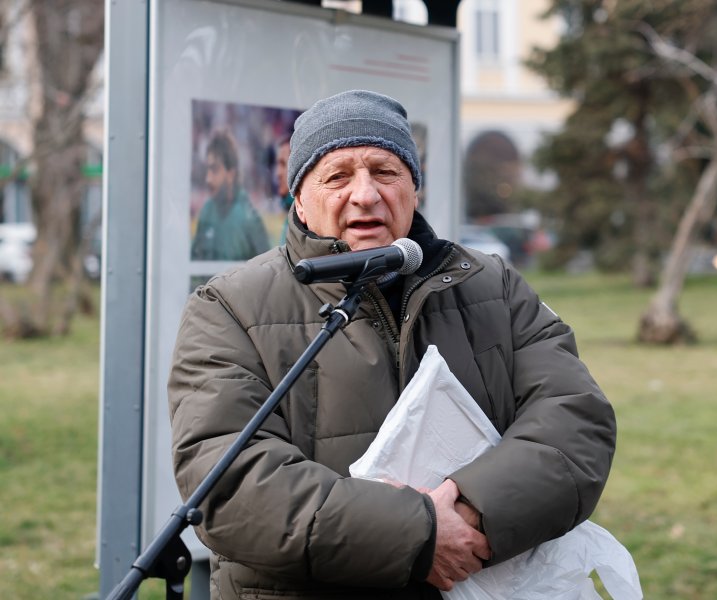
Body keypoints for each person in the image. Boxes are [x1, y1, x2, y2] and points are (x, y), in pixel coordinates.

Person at [168, 90, 616, 600]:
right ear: (298, 197)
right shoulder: (229, 308)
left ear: (414, 190)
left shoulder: (494, 286)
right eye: (337, 176)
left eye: (385, 172)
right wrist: (419, 535)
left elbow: (575, 420)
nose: (365, 194)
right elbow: (232, 483)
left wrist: (469, 513)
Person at [191, 130, 270, 260]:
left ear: (231, 174)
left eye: (214, 169)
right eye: (207, 170)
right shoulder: (206, 212)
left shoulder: (249, 218)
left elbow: (266, 272)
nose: (208, 179)